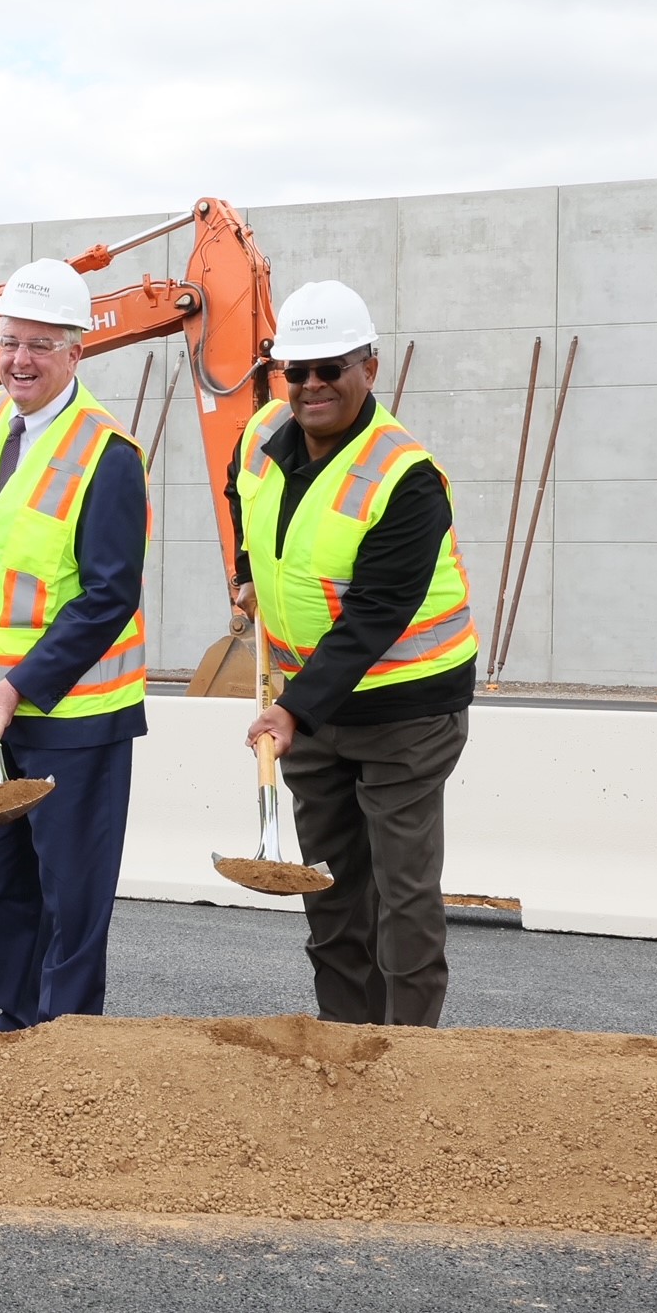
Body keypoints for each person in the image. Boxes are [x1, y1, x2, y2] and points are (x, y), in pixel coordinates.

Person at [228, 279, 478, 1027]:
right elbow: (243, 497)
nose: (310, 386)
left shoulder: (406, 478)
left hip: (406, 712)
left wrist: (289, 711)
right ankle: (345, 1041)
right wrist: (246, 571)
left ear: (370, 365)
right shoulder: (261, 437)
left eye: (330, 368)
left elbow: (375, 615)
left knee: (402, 900)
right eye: (295, 371)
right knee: (332, 894)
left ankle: (407, 1057)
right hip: (309, 708)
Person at [0, 259, 150, 1030]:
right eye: (9, 344)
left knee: (72, 886)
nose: (19, 361)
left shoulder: (107, 454)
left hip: (76, 711)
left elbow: (109, 595)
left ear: (77, 353)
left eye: (39, 344)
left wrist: (22, 683)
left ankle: (66, 1032)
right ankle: (15, 1014)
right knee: (3, 877)